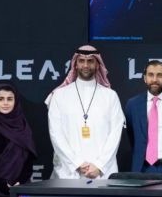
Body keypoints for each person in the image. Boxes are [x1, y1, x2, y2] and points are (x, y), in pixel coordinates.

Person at [46, 45, 124, 179]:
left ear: (98, 64)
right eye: (81, 61)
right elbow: (56, 134)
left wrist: (99, 165)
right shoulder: (59, 95)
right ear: (75, 65)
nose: (86, 65)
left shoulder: (110, 96)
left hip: (102, 173)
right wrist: (76, 163)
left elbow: (115, 134)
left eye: (90, 61)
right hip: (68, 173)